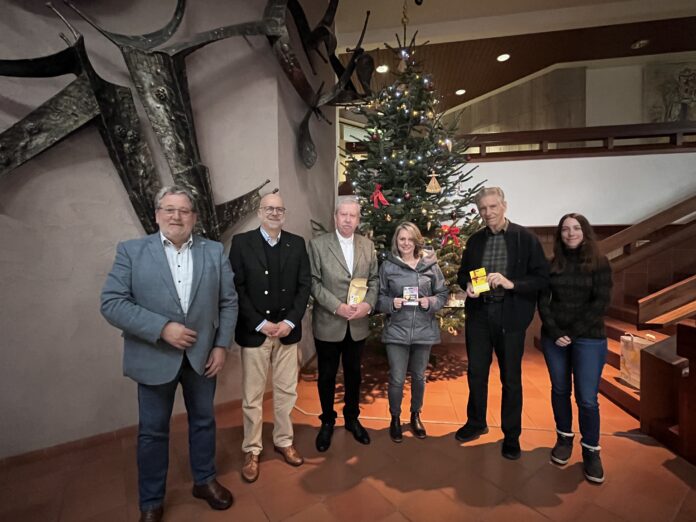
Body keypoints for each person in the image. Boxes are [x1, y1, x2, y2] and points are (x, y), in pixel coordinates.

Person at [101, 186, 237, 522]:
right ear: (157, 213)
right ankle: (151, 500)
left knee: (204, 422)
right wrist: (162, 328)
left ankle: (204, 481)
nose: (176, 216)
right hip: (153, 357)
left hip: (202, 357)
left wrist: (221, 345)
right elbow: (112, 302)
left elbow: (228, 301)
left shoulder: (214, 251)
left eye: (184, 210)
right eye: (169, 209)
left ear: (194, 216)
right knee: (152, 431)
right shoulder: (132, 251)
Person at [456, 186, 549, 460]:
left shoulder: (525, 238)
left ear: (504, 206)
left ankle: (511, 435)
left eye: (493, 207)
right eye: (483, 208)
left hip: (510, 316)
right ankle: (476, 423)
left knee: (511, 379)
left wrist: (512, 283)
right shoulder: (475, 241)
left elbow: (542, 279)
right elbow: (464, 274)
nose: (488, 213)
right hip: (480, 316)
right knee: (476, 373)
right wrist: (469, 286)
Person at [228, 193, 311, 483]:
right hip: (255, 331)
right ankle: (252, 449)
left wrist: (289, 321)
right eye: (269, 208)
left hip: (288, 332)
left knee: (287, 392)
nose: (274, 213)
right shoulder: (241, 243)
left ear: (284, 213)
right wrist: (261, 323)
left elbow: (304, 286)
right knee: (252, 396)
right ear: (259, 212)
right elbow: (235, 288)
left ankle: (284, 440)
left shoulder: (297, 243)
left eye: (279, 209)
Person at [538, 213, 613, 484]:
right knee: (559, 390)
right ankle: (564, 438)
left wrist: (573, 332)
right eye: (565, 229)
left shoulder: (600, 263)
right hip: (555, 338)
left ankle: (591, 450)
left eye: (576, 228)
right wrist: (557, 332)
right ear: (560, 235)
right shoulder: (552, 264)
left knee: (587, 398)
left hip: (589, 338)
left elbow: (601, 303)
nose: (570, 233)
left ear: (585, 232)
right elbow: (543, 301)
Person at [308, 196, 379, 452]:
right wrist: (336, 306)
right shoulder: (317, 245)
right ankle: (327, 421)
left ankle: (352, 418)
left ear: (358, 219)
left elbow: (374, 280)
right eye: (343, 215)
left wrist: (367, 305)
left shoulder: (367, 246)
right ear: (335, 217)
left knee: (354, 374)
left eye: (353, 215)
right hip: (329, 321)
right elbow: (313, 281)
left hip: (357, 323)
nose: (348, 220)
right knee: (326, 375)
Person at [376, 222, 449, 442]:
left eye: (410, 239)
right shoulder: (387, 266)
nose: (406, 243)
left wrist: (430, 302)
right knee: (397, 378)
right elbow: (378, 298)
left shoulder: (430, 265)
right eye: (401, 239)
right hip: (397, 331)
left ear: (417, 241)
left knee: (419, 377)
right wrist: (392, 303)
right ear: (396, 242)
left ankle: (416, 415)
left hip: (423, 331)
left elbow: (443, 293)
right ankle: (395, 418)